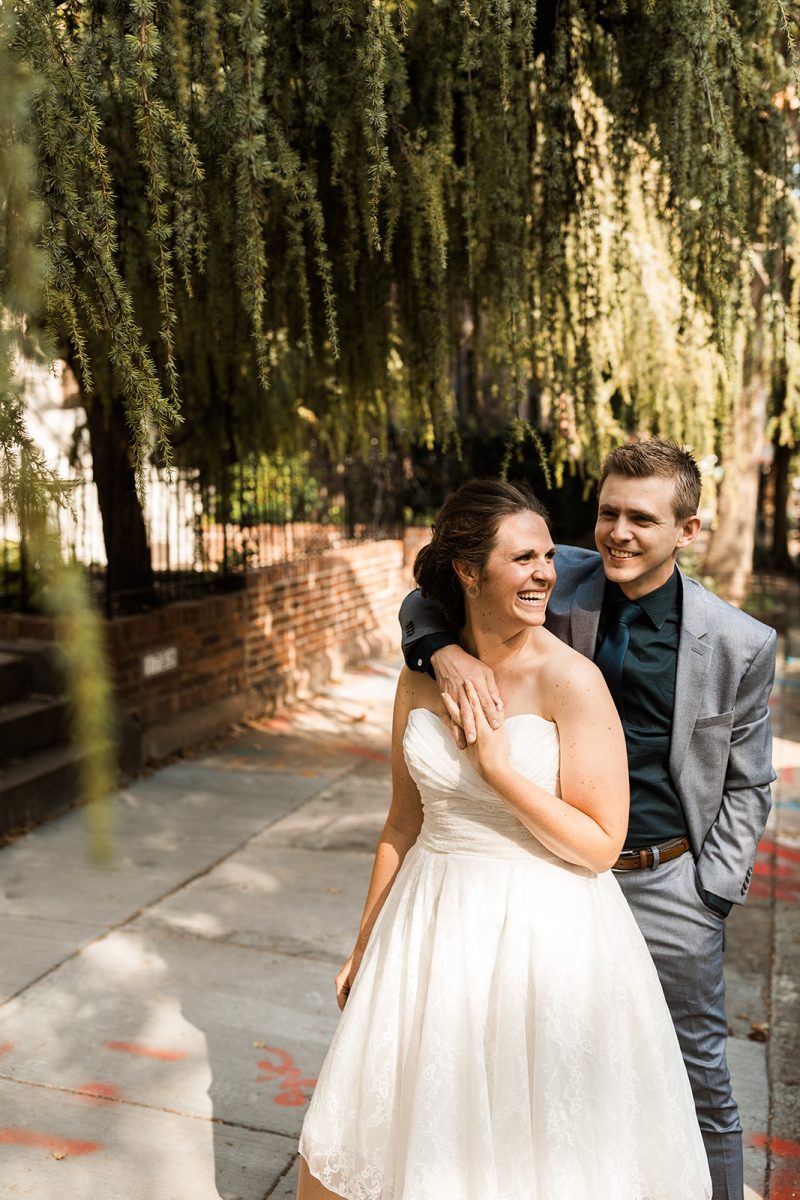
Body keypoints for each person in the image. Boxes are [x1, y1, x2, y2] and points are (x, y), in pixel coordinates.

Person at [297, 478, 711, 1200]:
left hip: (543, 935)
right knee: (409, 1128)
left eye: (548, 556)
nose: (545, 573)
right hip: (429, 927)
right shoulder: (422, 677)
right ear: (466, 570)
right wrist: (367, 943)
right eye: (523, 559)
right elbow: (403, 821)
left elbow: (599, 843)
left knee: (530, 1143)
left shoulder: (571, 681)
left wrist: (499, 771)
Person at [400, 440, 777, 1200]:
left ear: (688, 531)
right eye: (608, 512)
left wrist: (709, 895)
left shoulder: (739, 642)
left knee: (696, 1077)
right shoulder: (553, 576)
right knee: (552, 1068)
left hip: (664, 876)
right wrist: (442, 650)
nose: (618, 533)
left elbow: (748, 782)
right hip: (553, 875)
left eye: (642, 518)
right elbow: (430, 586)